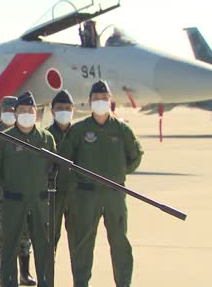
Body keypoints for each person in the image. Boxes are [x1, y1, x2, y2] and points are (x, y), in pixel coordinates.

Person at [58, 80, 144, 287]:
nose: (100, 102)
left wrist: (119, 173)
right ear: (89, 102)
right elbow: (66, 158)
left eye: (104, 99)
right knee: (83, 243)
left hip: (114, 194)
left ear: (110, 101)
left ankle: (123, 282)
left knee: (119, 241)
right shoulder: (79, 130)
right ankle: (81, 282)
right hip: (86, 195)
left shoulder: (121, 129)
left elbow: (136, 155)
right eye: (96, 99)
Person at [0, 92, 56, 287]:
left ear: (36, 113)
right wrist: (10, 187)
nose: (27, 114)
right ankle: (8, 281)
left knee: (42, 244)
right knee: (10, 244)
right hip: (13, 200)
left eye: (30, 110)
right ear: (16, 113)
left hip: (40, 200)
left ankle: (45, 281)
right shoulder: (4, 139)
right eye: (22, 110)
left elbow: (53, 166)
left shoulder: (45, 138)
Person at [0, 96, 36, 286]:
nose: (9, 114)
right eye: (6, 110)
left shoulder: (23, 133)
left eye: (13, 111)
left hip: (20, 192)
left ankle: (24, 273)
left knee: (24, 232)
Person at [47, 90, 77, 273]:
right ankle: (47, 278)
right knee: (49, 240)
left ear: (73, 109)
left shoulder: (79, 134)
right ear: (52, 110)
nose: (64, 111)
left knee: (78, 241)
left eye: (67, 108)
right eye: (60, 108)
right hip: (52, 196)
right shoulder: (45, 135)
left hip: (76, 196)